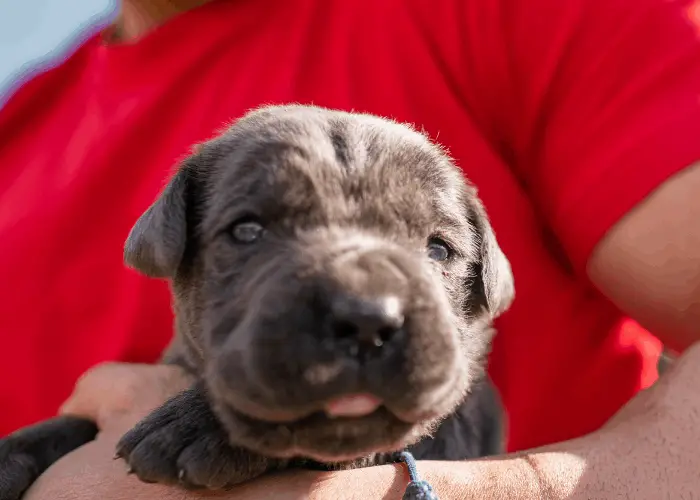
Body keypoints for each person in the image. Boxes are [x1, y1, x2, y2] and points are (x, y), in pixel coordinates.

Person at [1, 0, 699, 497]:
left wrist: (498, 490)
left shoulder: (527, 11)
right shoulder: (17, 134)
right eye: (251, 231)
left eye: (438, 247)